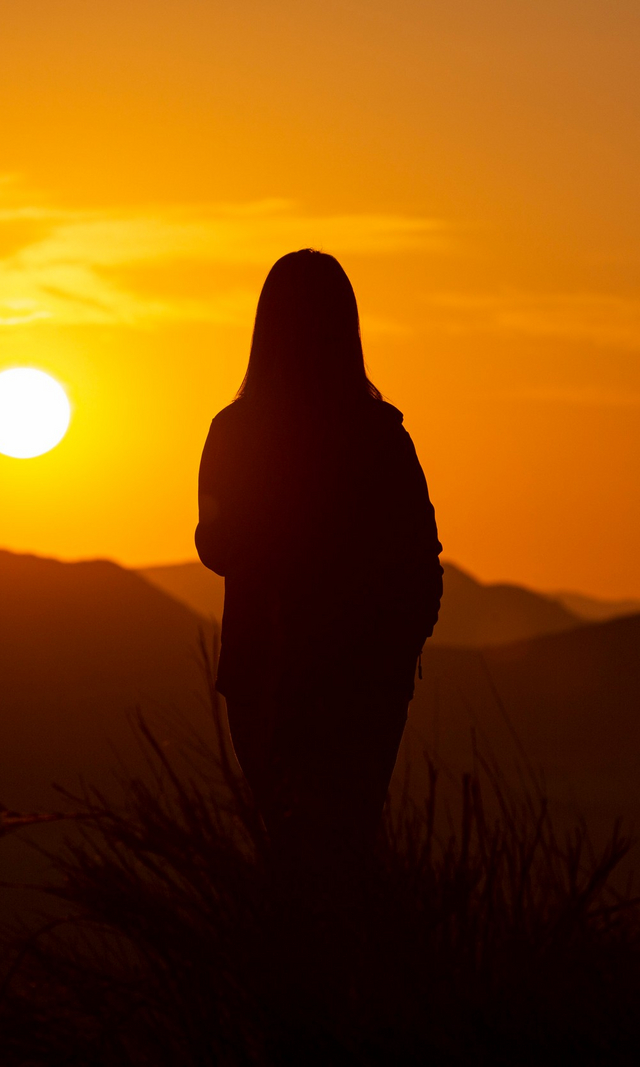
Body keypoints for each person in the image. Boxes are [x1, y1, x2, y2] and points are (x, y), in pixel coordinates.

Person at [195, 249, 443, 870]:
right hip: (356, 678)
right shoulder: (380, 434)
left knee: (290, 848)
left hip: (274, 672)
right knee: (346, 844)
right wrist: (396, 651)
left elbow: (215, 546)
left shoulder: (237, 430)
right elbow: (422, 558)